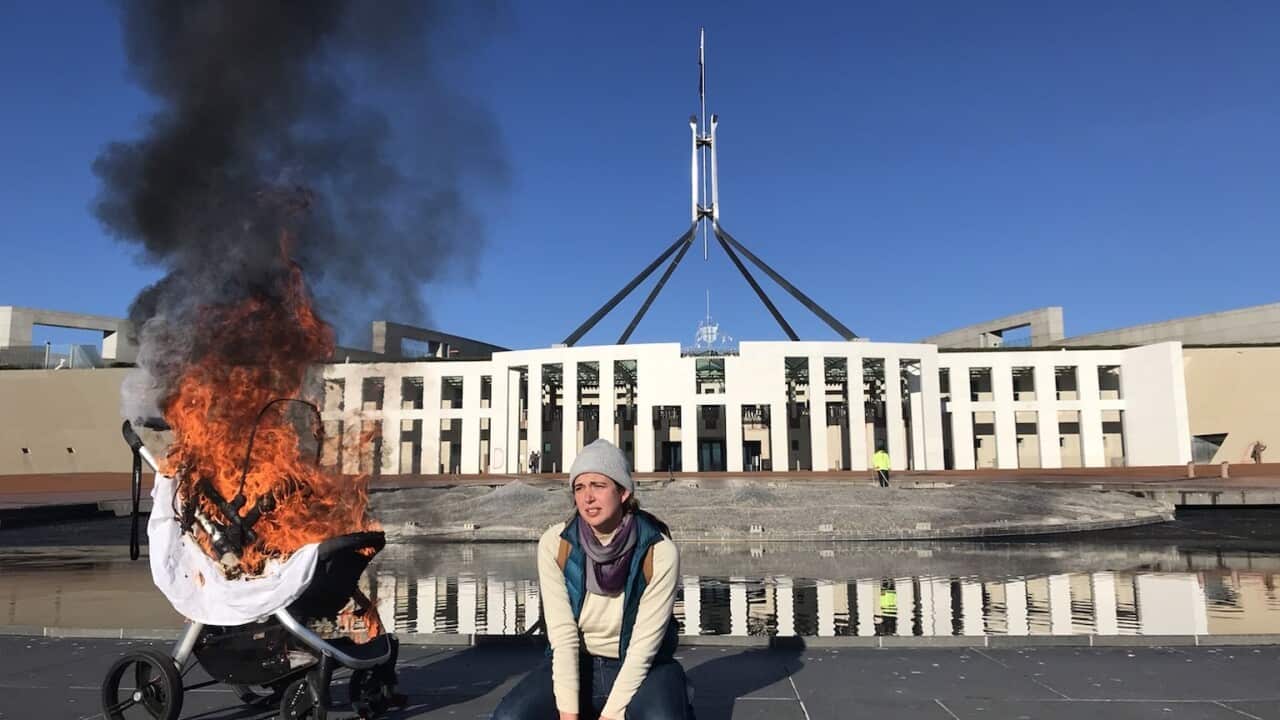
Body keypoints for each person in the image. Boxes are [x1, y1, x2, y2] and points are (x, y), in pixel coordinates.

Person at [494, 438, 692, 720]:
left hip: (643, 668)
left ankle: (675, 698)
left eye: (598, 485)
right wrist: (568, 713)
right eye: (579, 487)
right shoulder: (556, 544)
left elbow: (643, 648)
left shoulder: (658, 551)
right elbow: (562, 638)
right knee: (510, 717)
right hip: (577, 664)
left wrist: (611, 714)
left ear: (623, 492)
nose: (587, 497)